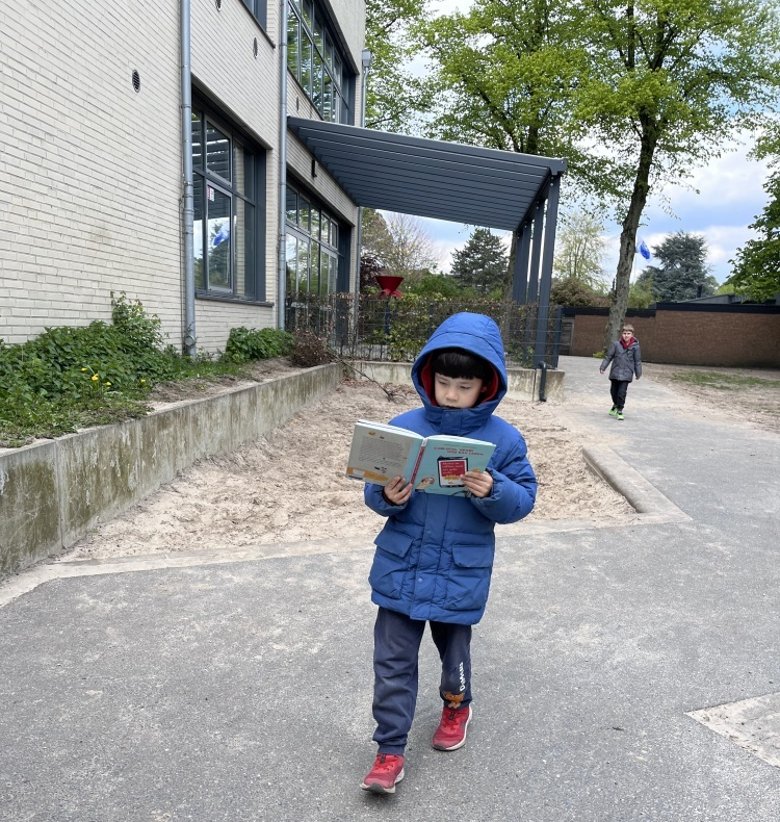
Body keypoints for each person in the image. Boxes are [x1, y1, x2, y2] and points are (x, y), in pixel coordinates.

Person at [359, 312, 538, 795]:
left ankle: (457, 705)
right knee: (392, 662)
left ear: (487, 386)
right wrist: (387, 496)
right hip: (402, 566)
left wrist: (494, 489)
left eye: (464, 386)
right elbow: (374, 490)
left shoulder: (504, 439)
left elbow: (523, 501)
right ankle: (389, 749)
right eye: (443, 383)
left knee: (453, 652)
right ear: (427, 376)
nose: (452, 395)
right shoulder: (403, 427)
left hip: (460, 570)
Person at [600, 323, 642, 420]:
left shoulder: (636, 347)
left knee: (621, 393)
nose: (626, 335)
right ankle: (615, 404)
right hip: (615, 372)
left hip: (627, 373)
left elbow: (637, 361)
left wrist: (638, 373)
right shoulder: (616, 344)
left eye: (628, 334)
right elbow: (609, 357)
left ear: (632, 335)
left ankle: (620, 410)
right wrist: (603, 367)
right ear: (622, 334)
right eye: (624, 333)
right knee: (613, 392)